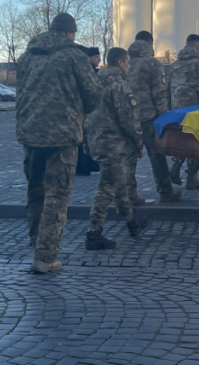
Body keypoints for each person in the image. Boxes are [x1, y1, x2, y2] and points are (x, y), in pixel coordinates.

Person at [16, 13, 102, 274]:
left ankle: (36, 247)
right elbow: (94, 96)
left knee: (35, 193)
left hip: (30, 134)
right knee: (57, 195)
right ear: (69, 33)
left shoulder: (27, 56)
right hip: (62, 136)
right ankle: (45, 257)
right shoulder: (74, 56)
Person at [85, 47, 152, 250]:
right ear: (120, 62)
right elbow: (129, 120)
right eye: (128, 62)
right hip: (113, 145)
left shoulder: (94, 83)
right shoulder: (119, 86)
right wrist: (138, 145)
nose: (129, 66)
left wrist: (86, 144)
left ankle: (133, 222)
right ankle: (93, 233)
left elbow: (86, 117)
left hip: (97, 142)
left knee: (119, 183)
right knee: (107, 187)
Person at [128, 31, 182, 204]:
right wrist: (163, 117)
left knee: (128, 158)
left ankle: (130, 195)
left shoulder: (124, 61)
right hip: (148, 117)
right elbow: (159, 93)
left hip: (127, 118)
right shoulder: (152, 63)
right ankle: (165, 192)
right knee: (157, 155)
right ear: (150, 43)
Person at [166, 34, 199, 190]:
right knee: (198, 142)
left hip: (177, 109)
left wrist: (169, 108)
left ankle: (176, 166)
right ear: (198, 46)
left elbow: (168, 89)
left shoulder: (175, 64)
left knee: (182, 139)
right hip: (195, 109)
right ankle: (192, 176)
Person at [76, 46, 102, 176]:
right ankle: (83, 165)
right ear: (89, 58)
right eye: (96, 57)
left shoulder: (94, 72)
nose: (99, 60)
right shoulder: (88, 73)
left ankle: (88, 165)